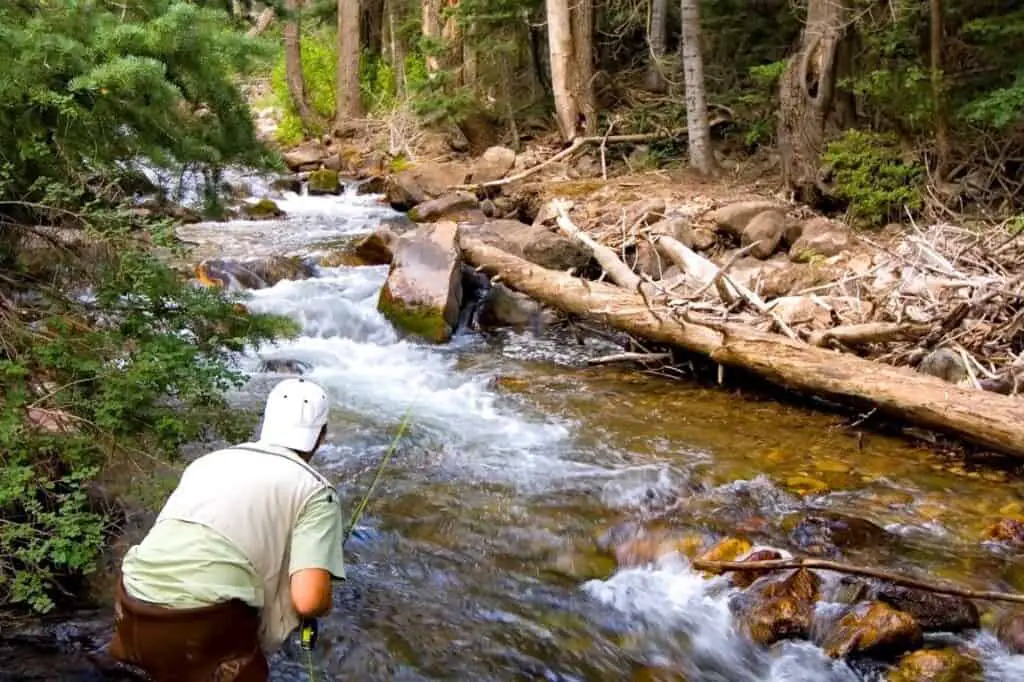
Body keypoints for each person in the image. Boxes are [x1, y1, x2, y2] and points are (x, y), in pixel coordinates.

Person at [108, 377, 346, 682]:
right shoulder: (315, 492)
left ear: (267, 421)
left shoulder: (207, 461)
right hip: (203, 625)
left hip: (131, 605)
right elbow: (309, 601)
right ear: (321, 436)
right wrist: (322, 602)